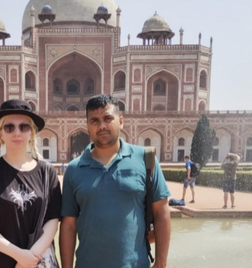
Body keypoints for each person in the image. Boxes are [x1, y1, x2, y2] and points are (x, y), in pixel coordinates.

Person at [60, 94, 171, 268]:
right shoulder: (74, 169)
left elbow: (162, 213)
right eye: (94, 121)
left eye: (107, 118)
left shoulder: (145, 159)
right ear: (87, 127)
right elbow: (68, 225)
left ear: (121, 121)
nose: (102, 125)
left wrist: (161, 263)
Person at [0, 99, 61, 268]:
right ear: (0, 134)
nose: (17, 132)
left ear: (31, 133)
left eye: (24, 127)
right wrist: (19, 255)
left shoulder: (47, 173)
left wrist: (30, 258)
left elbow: (52, 222)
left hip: (36, 262)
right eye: (9, 127)